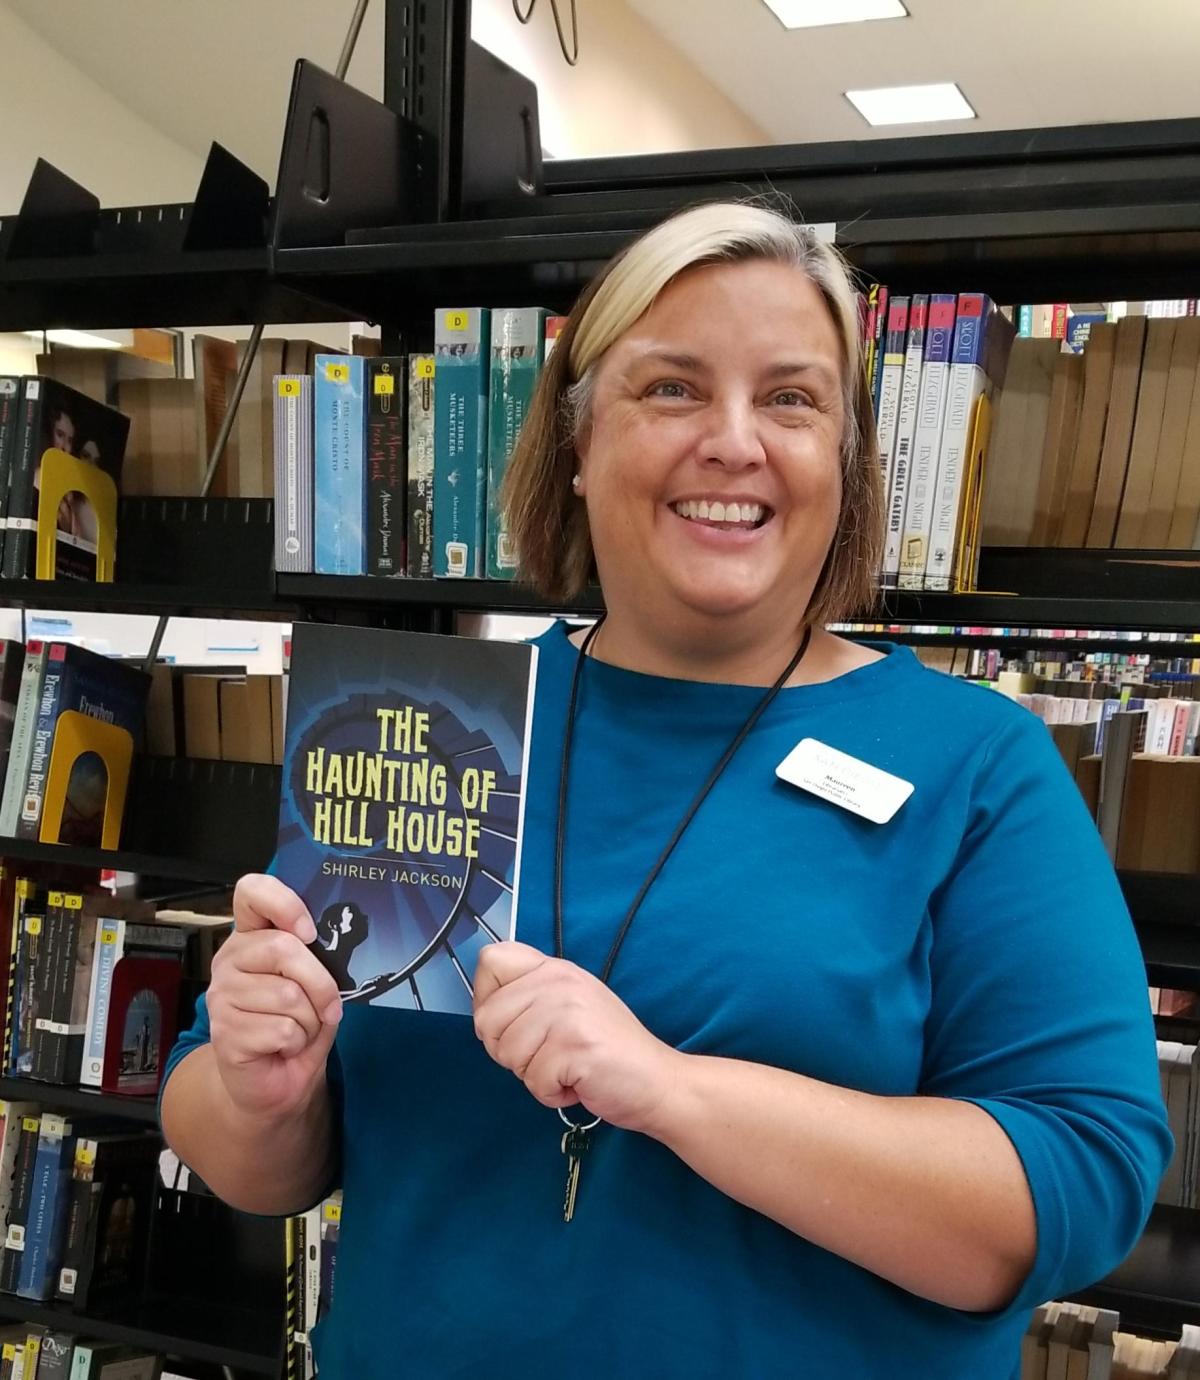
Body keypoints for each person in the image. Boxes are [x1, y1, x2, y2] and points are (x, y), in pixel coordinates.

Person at [160, 201, 1171, 1378]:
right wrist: (260, 1086)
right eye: (673, 388)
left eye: (790, 398)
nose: (735, 441)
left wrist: (673, 1092)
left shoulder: (978, 765)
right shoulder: (427, 727)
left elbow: (1082, 1185)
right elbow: (247, 1152)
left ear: (843, 459)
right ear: (579, 447)